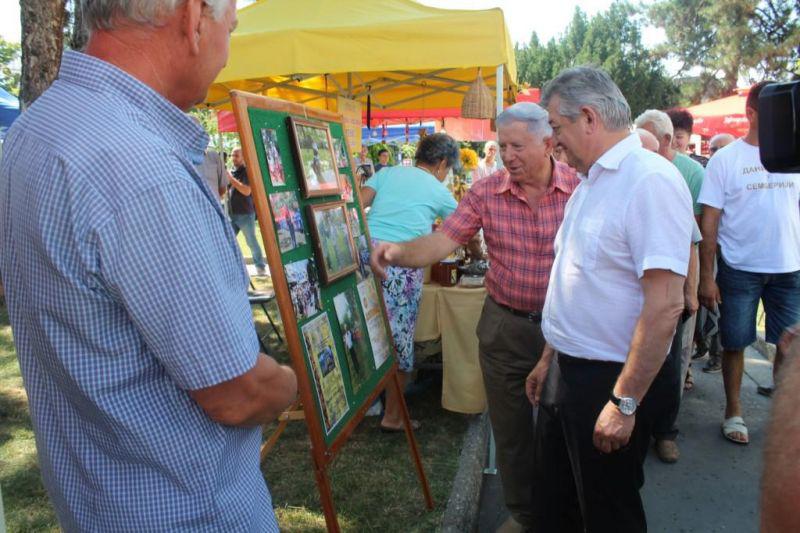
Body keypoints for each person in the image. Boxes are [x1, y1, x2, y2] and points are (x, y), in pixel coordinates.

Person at [0, 1, 298, 531]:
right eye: (229, 27)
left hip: (96, 502)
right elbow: (236, 394)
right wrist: (295, 383)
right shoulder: (141, 166)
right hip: (188, 513)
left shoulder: (38, 126)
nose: (226, 50)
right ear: (194, 17)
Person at [371, 103, 579, 532]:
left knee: (567, 428)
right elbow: (443, 241)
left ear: (548, 143)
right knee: (511, 431)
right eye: (503, 146)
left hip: (567, 330)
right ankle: (523, 514)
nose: (508, 156)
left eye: (517, 146)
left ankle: (566, 513)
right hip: (505, 327)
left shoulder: (580, 188)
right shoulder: (485, 193)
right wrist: (396, 251)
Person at [530, 66, 693, 532]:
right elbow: (578, 281)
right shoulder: (592, 182)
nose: (552, 143)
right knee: (557, 505)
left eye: (556, 127)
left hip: (610, 379)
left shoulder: (649, 181)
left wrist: (624, 403)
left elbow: (665, 305)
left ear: (588, 117)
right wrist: (549, 359)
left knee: (608, 514)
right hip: (569, 370)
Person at [697, 81, 800, 445]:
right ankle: (734, 410)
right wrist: (706, 277)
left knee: (790, 347)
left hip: (790, 268)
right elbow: (709, 222)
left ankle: (783, 417)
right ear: (752, 114)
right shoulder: (726, 159)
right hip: (740, 269)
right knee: (735, 342)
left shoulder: (795, 155)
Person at [360, 133, 458, 433]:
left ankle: (362, 405)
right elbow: (462, 226)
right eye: (448, 170)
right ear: (442, 163)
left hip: (365, 255)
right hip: (400, 264)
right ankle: (392, 416)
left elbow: (355, 204)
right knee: (398, 340)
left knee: (362, 329)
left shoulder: (387, 173)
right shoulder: (438, 190)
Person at [635, 109, 703, 464]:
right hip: (634, 295)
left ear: (664, 142)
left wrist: (691, 293)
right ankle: (635, 426)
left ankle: (664, 433)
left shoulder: (674, 180)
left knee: (667, 365)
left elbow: (691, 245)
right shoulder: (629, 179)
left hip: (667, 295)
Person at [229, 146, 268, 276]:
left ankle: (260, 267)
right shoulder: (232, 172)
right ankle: (231, 268)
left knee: (250, 241)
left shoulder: (247, 172)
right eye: (232, 155)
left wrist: (230, 179)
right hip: (232, 214)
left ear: (244, 157)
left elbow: (246, 191)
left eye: (236, 155)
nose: (233, 158)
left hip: (245, 214)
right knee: (226, 240)